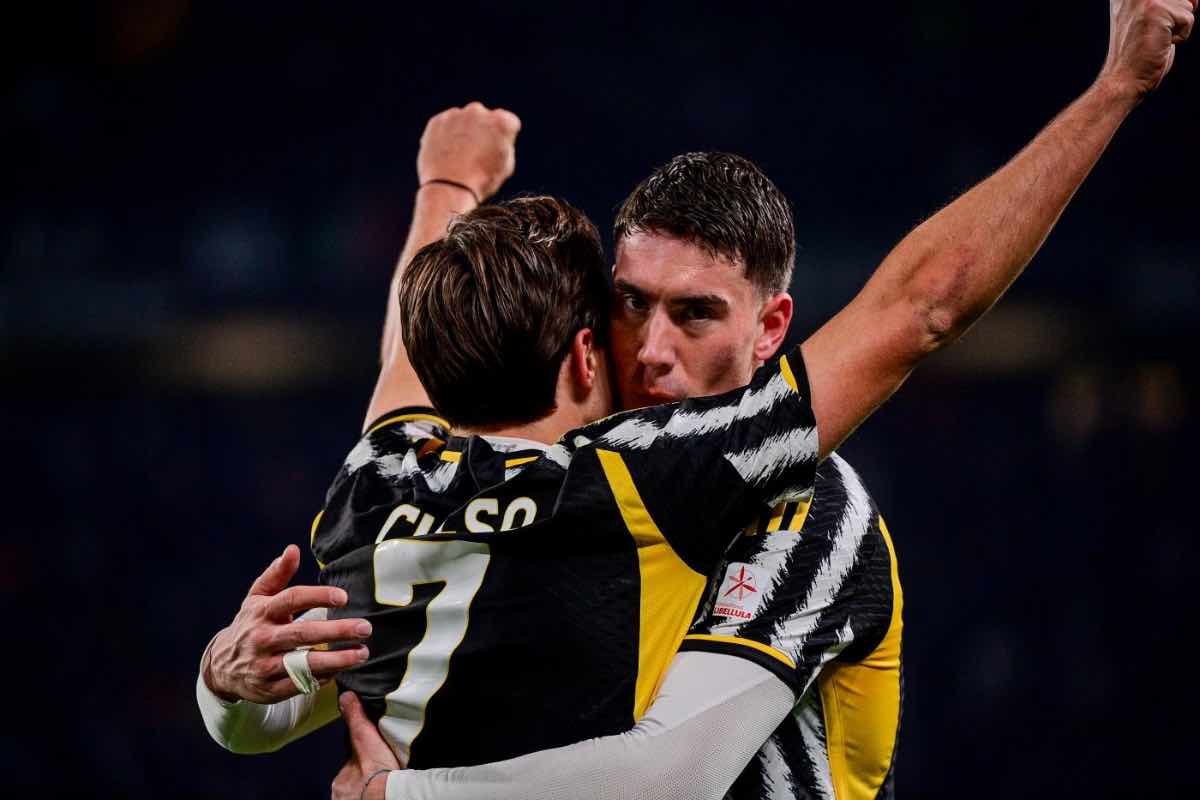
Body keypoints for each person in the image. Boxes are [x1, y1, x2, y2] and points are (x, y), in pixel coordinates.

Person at [200, 0, 1194, 796]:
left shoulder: (807, 508)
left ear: (772, 328)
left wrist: (1117, 86)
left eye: (696, 314)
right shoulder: (580, 486)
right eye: (631, 305)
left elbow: (668, 778)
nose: (654, 349)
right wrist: (226, 681)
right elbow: (420, 374)